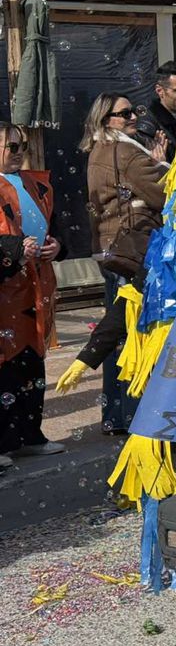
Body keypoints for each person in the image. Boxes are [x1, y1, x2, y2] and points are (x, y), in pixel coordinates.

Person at [57, 94, 168, 434]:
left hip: (112, 251)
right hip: (134, 251)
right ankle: (134, 415)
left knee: (117, 329)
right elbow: (165, 192)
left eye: (133, 111)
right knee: (133, 329)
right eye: (124, 113)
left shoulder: (100, 149)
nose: (133, 117)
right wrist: (162, 163)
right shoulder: (125, 151)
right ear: (106, 120)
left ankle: (116, 415)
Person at [0, 123, 65, 462]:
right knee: (5, 365)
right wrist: (13, 250)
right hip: (5, 287)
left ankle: (30, 434)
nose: (19, 152)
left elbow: (54, 227)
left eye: (22, 145)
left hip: (34, 285)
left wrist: (57, 246)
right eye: (11, 146)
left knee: (31, 360)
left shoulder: (34, 183)